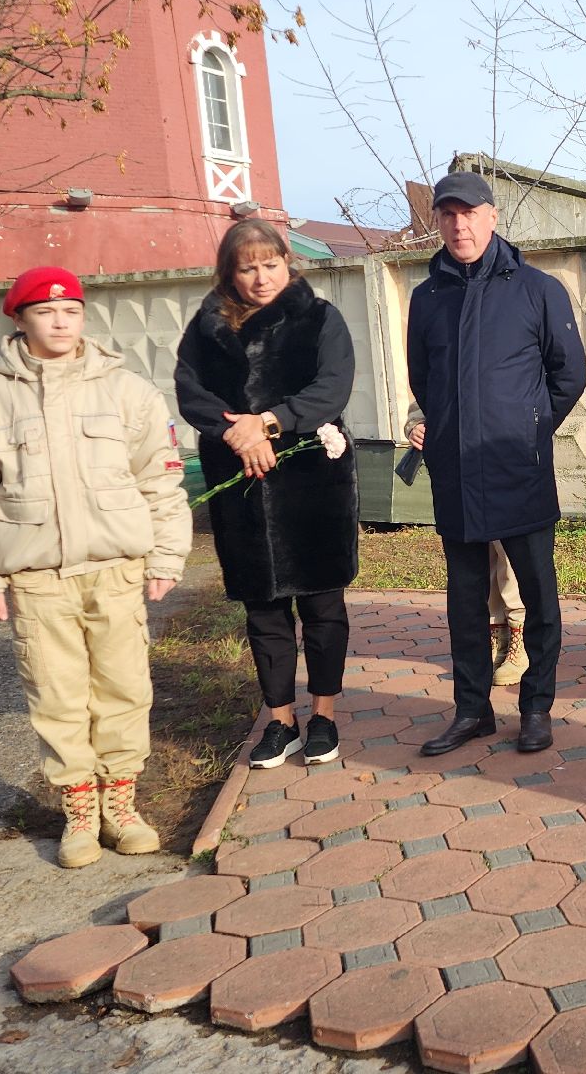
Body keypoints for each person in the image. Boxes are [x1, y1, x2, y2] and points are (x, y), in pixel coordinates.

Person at [0, 266, 190, 868]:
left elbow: (160, 480)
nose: (60, 322)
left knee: (125, 687)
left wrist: (167, 554)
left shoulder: (128, 392)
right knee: (56, 694)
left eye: (71, 311)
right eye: (46, 312)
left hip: (116, 569)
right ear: (19, 319)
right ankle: (79, 812)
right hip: (37, 578)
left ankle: (121, 806)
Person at [408, 171, 586, 757]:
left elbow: (568, 375)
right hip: (456, 475)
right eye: (448, 214)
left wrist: (525, 431)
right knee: (464, 601)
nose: (459, 225)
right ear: (438, 221)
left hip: (519, 471)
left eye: (469, 213)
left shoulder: (538, 289)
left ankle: (536, 708)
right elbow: (423, 380)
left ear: (492, 216)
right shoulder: (427, 297)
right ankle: (472, 711)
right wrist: (445, 434)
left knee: (538, 594)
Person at [175, 219, 359, 770]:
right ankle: (281, 721)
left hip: (310, 480)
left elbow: (332, 387)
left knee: (322, 603)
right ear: (229, 273)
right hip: (242, 483)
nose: (261, 278)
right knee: (264, 607)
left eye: (270, 264)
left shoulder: (320, 318)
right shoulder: (207, 326)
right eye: (247, 268)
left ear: (287, 262)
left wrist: (270, 422)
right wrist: (240, 434)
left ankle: (323, 715)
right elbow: (191, 391)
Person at [405, 405, 531, 687]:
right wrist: (415, 425)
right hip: (460, 464)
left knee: (509, 552)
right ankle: (496, 633)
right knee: (478, 552)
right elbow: (425, 394)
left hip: (506, 454)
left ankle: (519, 637)